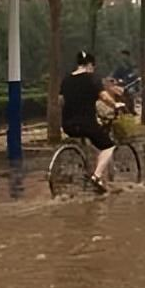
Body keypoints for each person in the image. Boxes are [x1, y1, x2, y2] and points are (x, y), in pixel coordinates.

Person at [61, 50, 119, 193]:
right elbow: (104, 97)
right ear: (89, 65)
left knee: (92, 142)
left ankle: (87, 170)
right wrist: (115, 105)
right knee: (108, 146)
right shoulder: (91, 78)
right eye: (93, 66)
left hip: (68, 125)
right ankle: (96, 176)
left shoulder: (66, 80)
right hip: (87, 124)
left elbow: (61, 101)